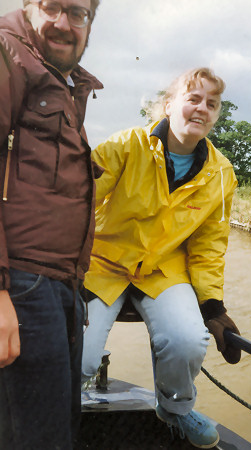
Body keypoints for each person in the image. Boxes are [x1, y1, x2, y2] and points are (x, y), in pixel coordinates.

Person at [82, 67, 241, 449]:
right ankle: (61, 404)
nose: (202, 108)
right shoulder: (127, 145)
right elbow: (79, 200)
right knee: (79, 354)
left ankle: (175, 409)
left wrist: (213, 307)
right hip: (103, 262)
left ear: (216, 115)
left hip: (163, 270)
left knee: (187, 340)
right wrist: (63, 267)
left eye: (212, 104)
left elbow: (208, 247)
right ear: (169, 105)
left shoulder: (222, 175)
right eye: (194, 98)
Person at [0, 1, 103, 448]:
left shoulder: (64, 80)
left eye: (78, 13)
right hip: (22, 283)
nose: (64, 23)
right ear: (27, 6)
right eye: (52, 6)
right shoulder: (6, 52)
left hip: (59, 284)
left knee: (56, 428)